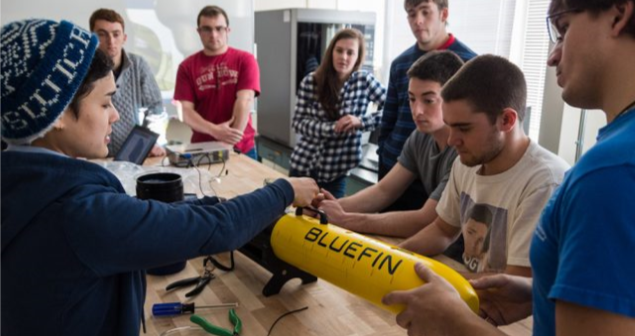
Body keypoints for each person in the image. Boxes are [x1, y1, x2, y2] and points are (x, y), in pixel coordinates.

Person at [0, 19, 318, 336]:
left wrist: (219, 203)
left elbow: (159, 217)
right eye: (106, 102)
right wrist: (285, 189)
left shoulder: (21, 184)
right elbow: (222, 229)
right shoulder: (78, 214)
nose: (116, 115)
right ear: (56, 114)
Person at [382, 1, 635, 335]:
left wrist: (455, 322)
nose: (551, 56)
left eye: (563, 31)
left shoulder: (607, 173)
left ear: (618, 15)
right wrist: (540, 293)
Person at [399, 54, 570, 277]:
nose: (452, 140)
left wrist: (444, 285)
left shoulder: (545, 181)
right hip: (477, 299)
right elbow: (442, 230)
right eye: (450, 127)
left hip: (511, 309)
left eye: (464, 128)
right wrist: (394, 257)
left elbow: (515, 284)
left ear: (506, 120)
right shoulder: (468, 160)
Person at [315, 50, 462, 240]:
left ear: (453, 98)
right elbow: (384, 191)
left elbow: (426, 219)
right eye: (411, 99)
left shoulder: (463, 150)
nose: (417, 110)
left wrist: (346, 220)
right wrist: (324, 208)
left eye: (428, 100)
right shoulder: (419, 137)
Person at [378, 0, 477, 211]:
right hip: (399, 166)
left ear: (443, 14)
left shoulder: (470, 64)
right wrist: (385, 154)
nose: (418, 21)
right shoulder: (400, 63)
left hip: (445, 170)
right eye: (412, 14)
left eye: (425, 12)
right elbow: (388, 119)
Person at [289, 28, 386, 198]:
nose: (344, 57)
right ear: (331, 52)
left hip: (336, 173)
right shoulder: (312, 81)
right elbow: (298, 123)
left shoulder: (364, 81)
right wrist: (333, 128)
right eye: (339, 50)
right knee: (294, 220)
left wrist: (362, 122)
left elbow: (393, 109)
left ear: (358, 57)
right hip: (303, 166)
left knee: (330, 221)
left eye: (350, 52)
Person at [174, 5, 260, 160]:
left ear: (228, 31)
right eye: (207, 29)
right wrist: (215, 131)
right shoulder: (186, 67)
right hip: (203, 150)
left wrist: (229, 142)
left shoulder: (245, 60)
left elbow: (245, 100)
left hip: (241, 148)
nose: (213, 35)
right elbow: (185, 112)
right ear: (199, 32)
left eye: (219, 28)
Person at [89, 8, 166, 158]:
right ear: (92, 37)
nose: (111, 41)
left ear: (124, 38)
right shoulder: (84, 69)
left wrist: (149, 143)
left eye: (116, 34)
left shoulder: (139, 65)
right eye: (102, 34)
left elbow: (155, 108)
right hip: (96, 157)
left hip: (137, 156)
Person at [462, 204, 493, 273]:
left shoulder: (487, 258)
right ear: (463, 226)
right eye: (470, 232)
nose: (473, 244)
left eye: (481, 240)